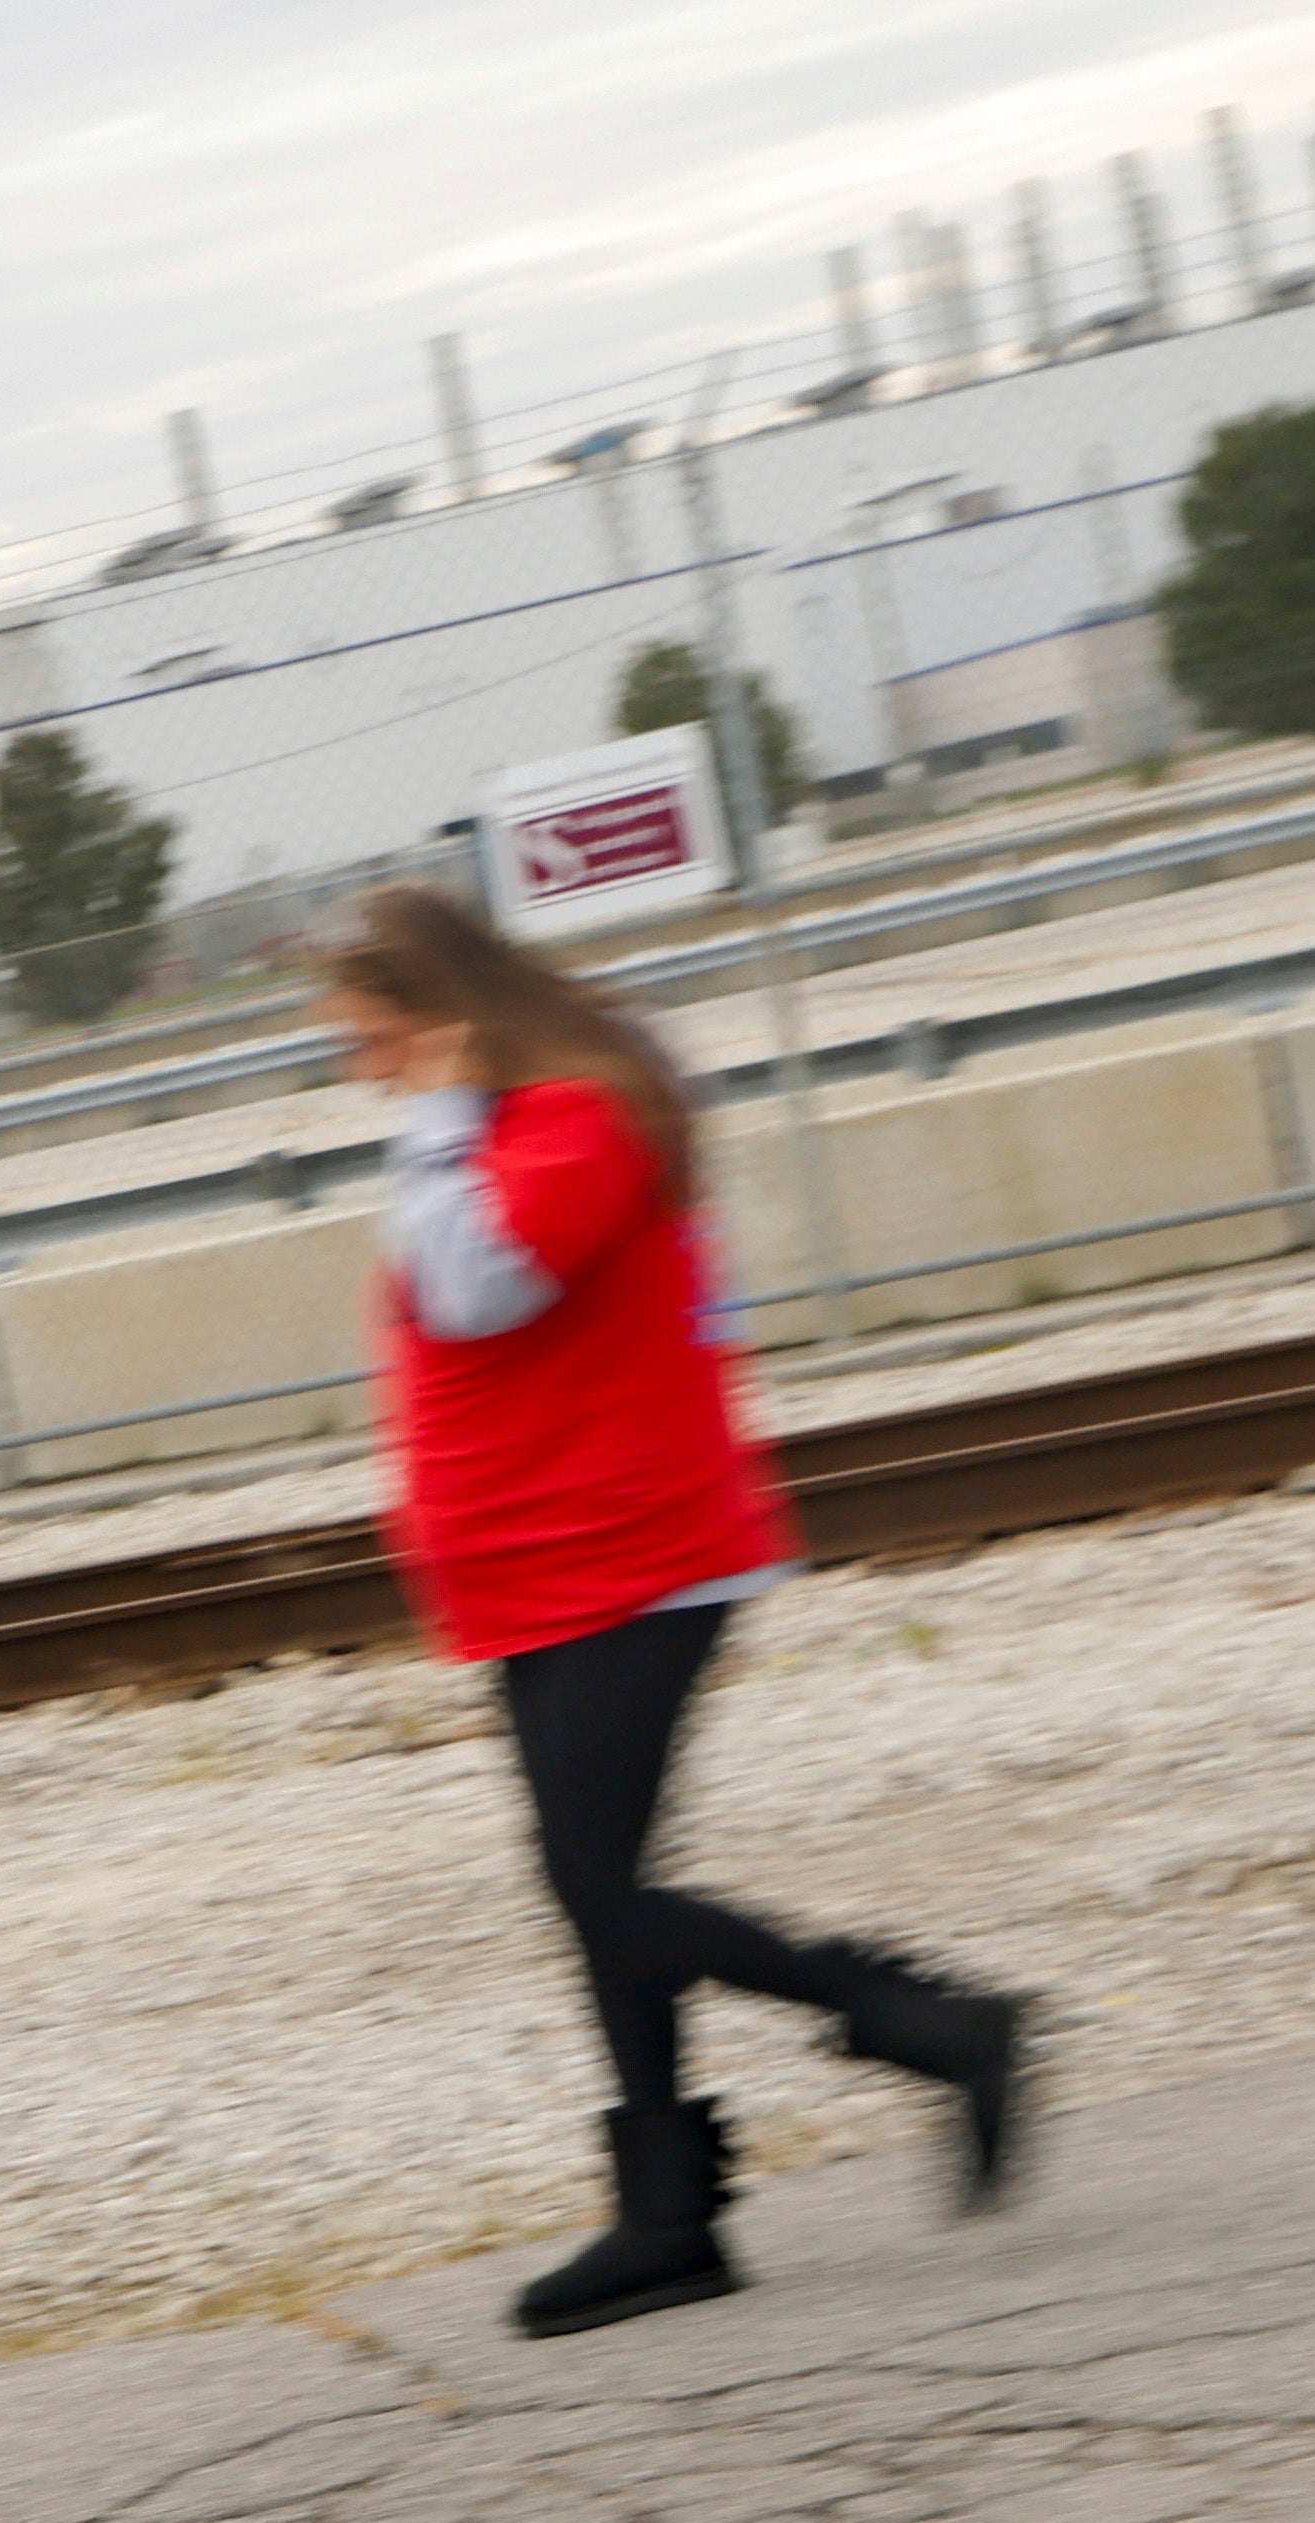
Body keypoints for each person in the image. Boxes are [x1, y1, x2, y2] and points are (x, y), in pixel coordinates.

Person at [311, 880, 1028, 2332]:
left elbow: (474, 1290)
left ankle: (929, 2022)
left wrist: (436, 1116)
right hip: (549, 1563)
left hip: (626, 1558)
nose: (362, 1072)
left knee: (600, 1887)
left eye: (374, 1041)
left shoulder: (568, 1116)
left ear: (445, 1018)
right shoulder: (540, 1109)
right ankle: (669, 2216)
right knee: (597, 1886)